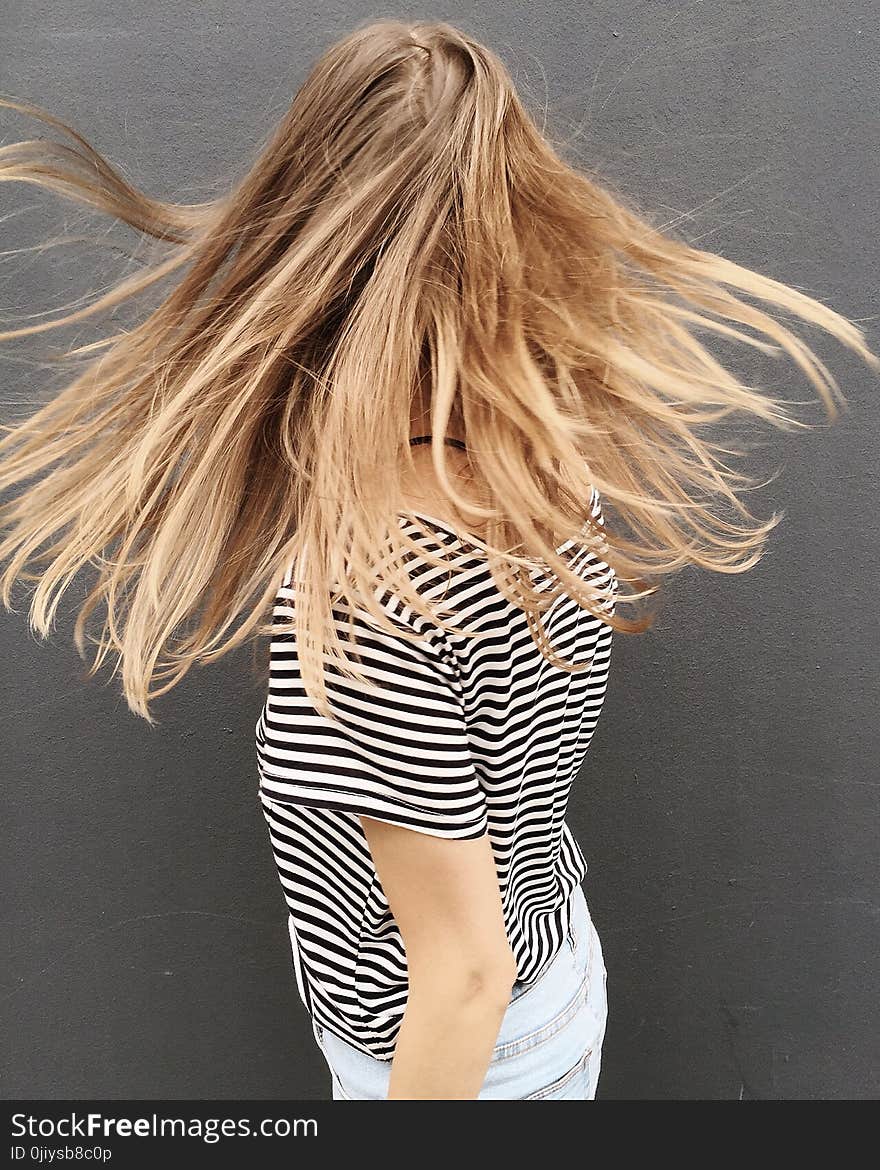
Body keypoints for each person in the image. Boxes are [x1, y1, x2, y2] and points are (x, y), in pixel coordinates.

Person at [0, 19, 876, 1101]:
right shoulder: (546, 456)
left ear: (300, 231)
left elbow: (458, 977)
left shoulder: (372, 592)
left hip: (458, 1054)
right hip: (554, 969)